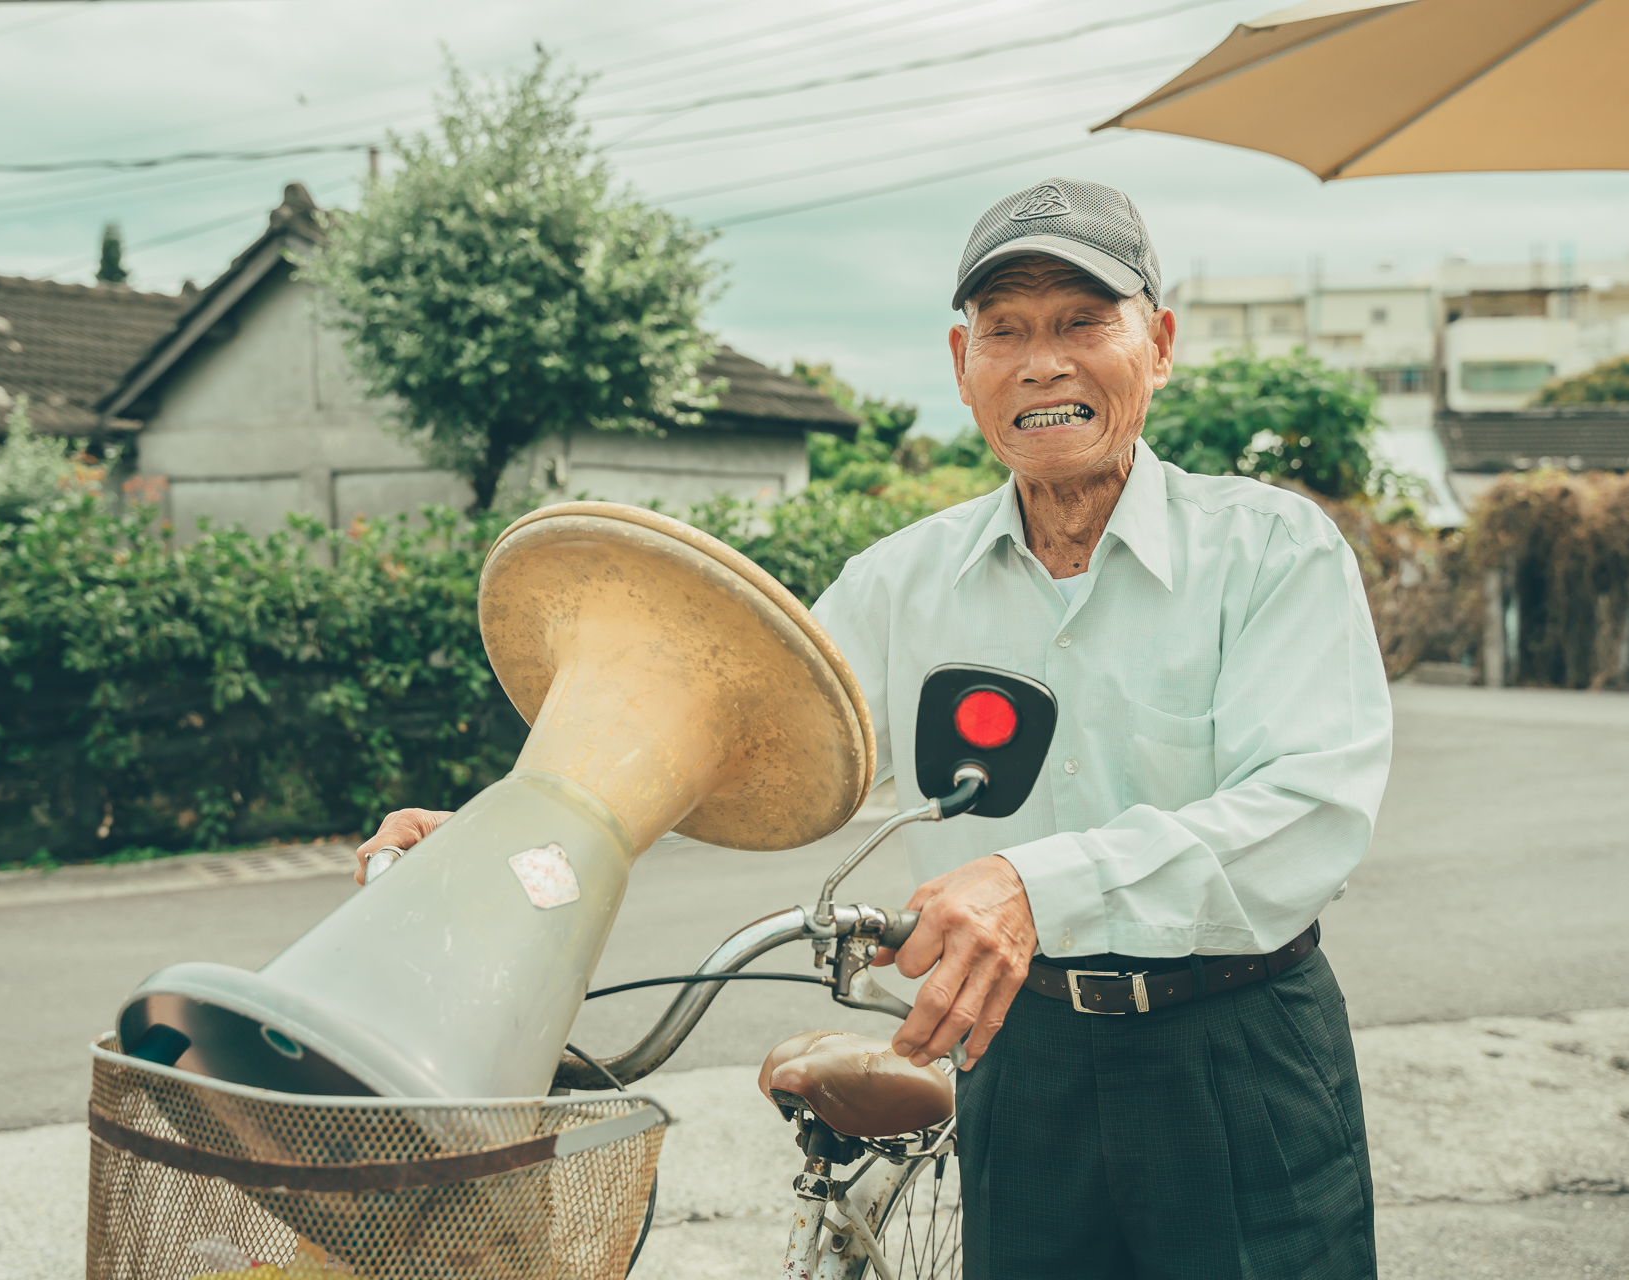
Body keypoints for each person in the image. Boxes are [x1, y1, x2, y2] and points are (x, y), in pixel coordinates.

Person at [355, 176, 1391, 1280]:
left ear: (1160, 343)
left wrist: (1037, 884)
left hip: (1236, 1045)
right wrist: (483, 835)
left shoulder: (1273, 551)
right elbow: (725, 744)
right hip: (1019, 1050)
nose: (1045, 362)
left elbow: (1308, 809)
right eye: (1008, 330)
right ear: (963, 368)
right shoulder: (902, 582)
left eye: (1084, 321)